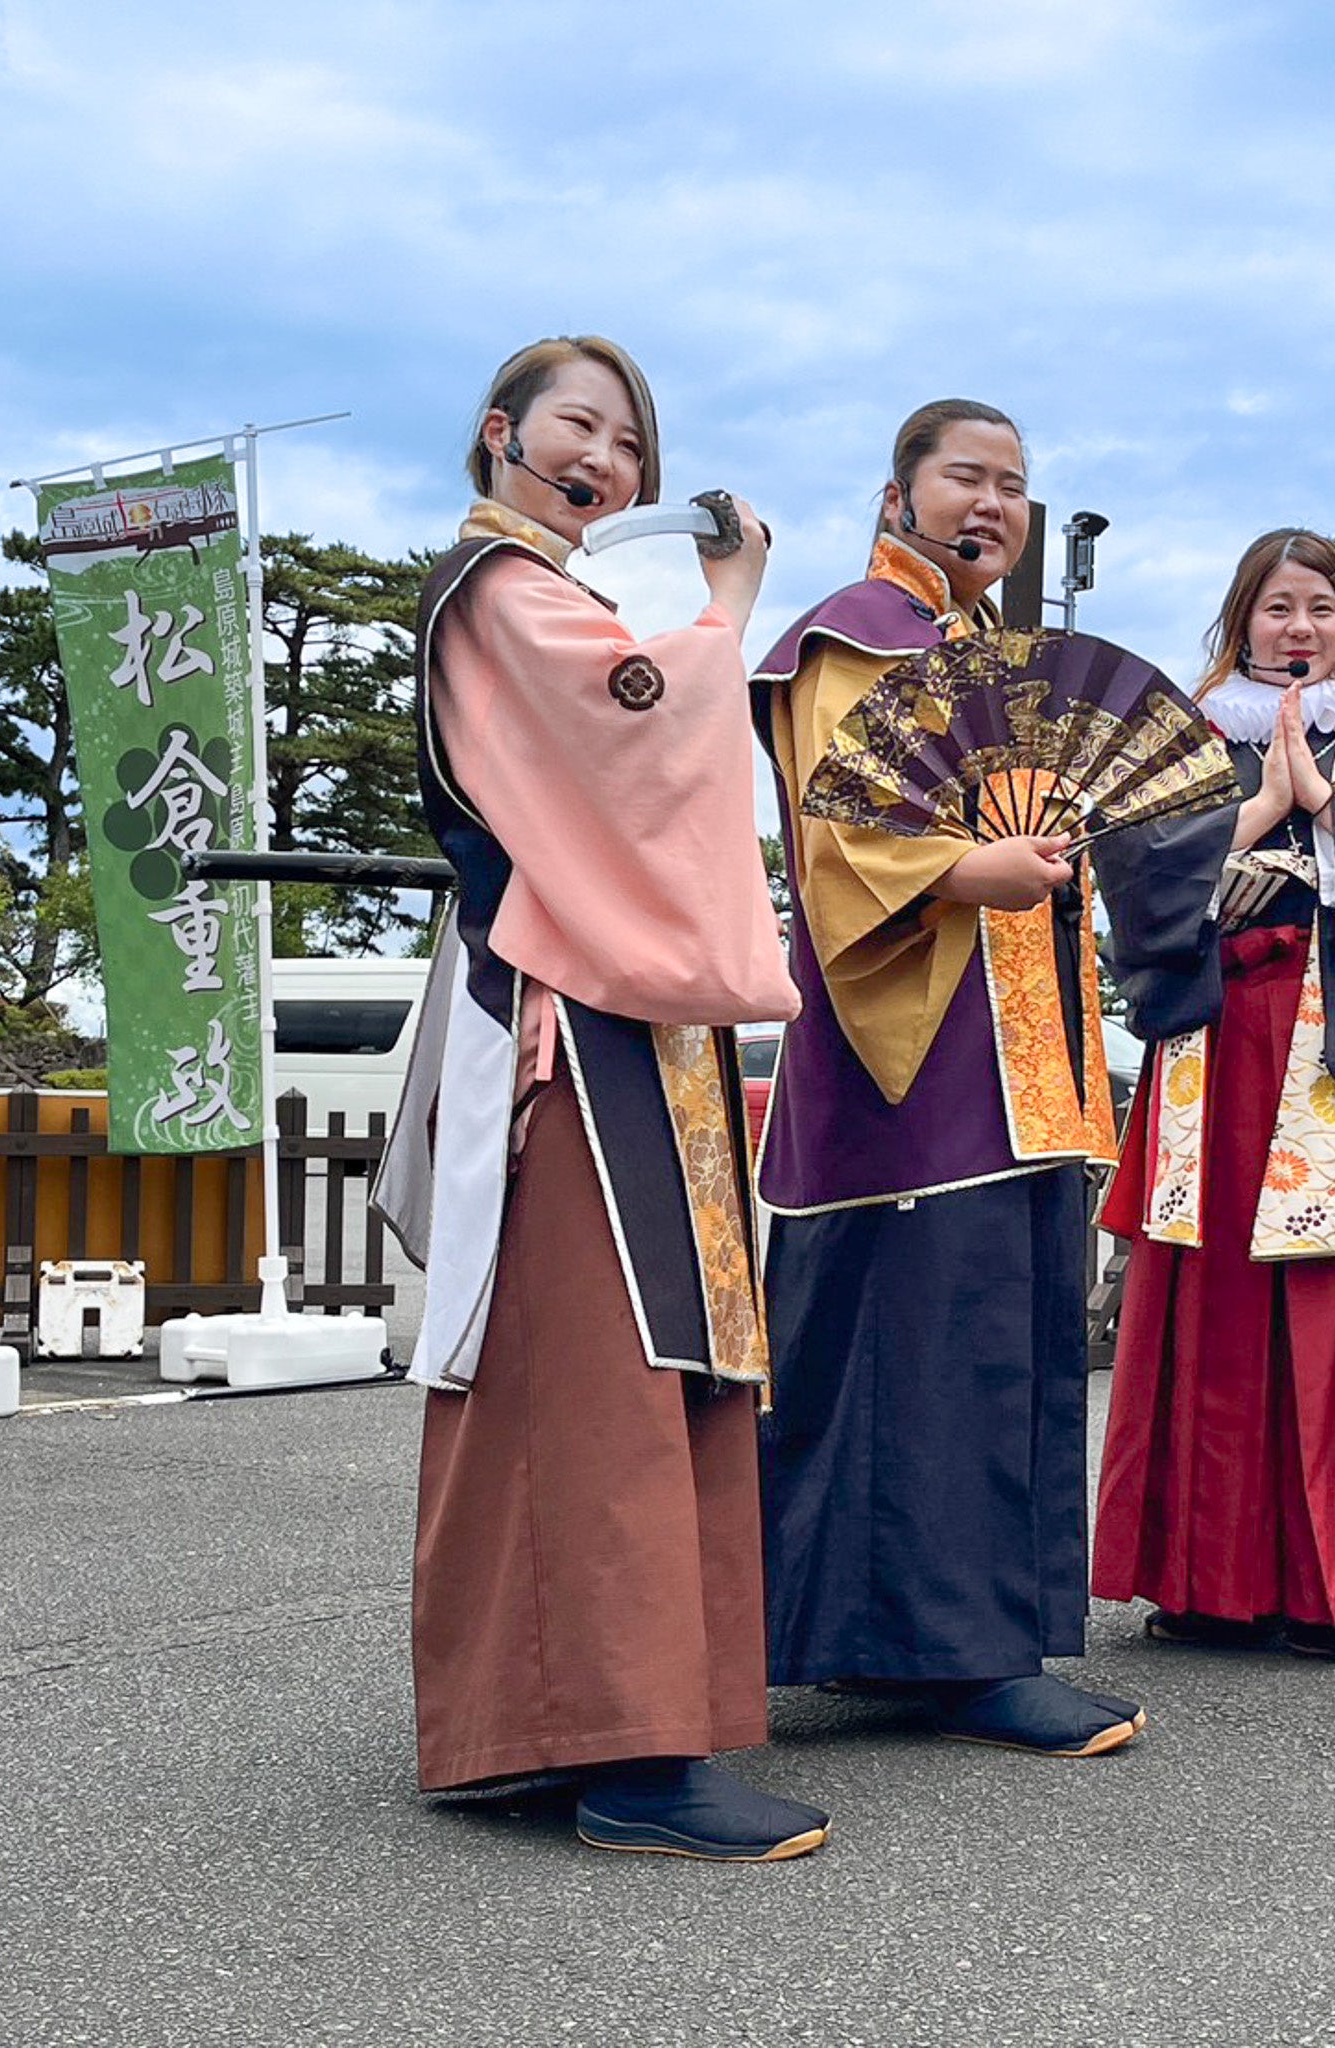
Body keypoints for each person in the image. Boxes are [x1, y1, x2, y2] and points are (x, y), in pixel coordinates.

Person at [374, 335, 829, 1859]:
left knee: (651, 1368)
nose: (610, 464)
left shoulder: (546, 593)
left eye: (631, 444)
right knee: (598, 1370)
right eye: (581, 427)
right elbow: (643, 731)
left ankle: (604, 1724)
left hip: (620, 1008)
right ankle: (615, 1747)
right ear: (500, 433)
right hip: (569, 1019)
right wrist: (733, 608)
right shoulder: (496, 593)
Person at [750, 399, 1140, 1757]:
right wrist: (978, 867)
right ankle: (962, 1654)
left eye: (1014, 486)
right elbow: (841, 834)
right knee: (929, 1341)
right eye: (964, 477)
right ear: (897, 490)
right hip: (907, 1048)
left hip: (1013, 1045)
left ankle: (934, 1640)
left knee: (995, 1331)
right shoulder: (852, 635)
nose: (992, 505)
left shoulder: (995, 656)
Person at [1091, 530, 1335, 1670]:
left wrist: (1324, 802)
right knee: (1209, 1309)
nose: (1298, 628)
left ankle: (1331, 1590)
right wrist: (1259, 809)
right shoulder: (1172, 748)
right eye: (1275, 608)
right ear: (1239, 621)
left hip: (1334, 1056)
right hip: (1216, 1051)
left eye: (1320, 607)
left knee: (1327, 1306)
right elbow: (1130, 883)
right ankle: (1201, 1580)